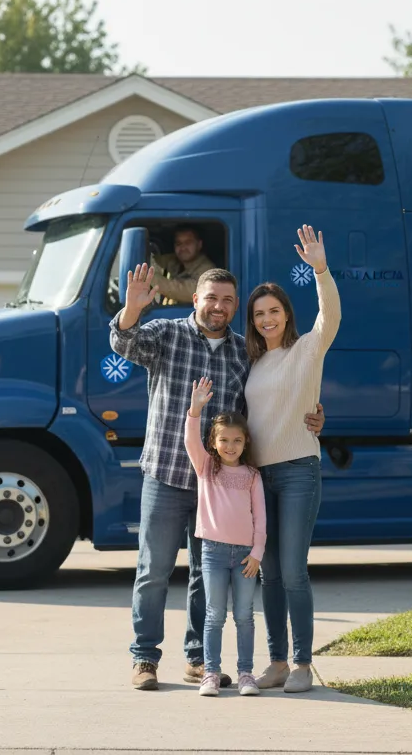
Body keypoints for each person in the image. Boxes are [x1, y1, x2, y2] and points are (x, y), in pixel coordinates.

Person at [109, 263, 325, 692]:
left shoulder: (246, 351)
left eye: (228, 300)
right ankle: (144, 659)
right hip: (170, 472)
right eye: (212, 298)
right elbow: (123, 343)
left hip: (220, 486)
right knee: (153, 569)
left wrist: (315, 414)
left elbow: (276, 397)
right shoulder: (166, 334)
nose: (219, 307)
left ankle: (196, 659)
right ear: (196, 300)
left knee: (203, 576)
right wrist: (131, 309)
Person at [245, 224, 341, 694]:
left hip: (300, 470)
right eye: (260, 313)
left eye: (274, 311)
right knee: (270, 572)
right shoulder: (252, 363)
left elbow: (331, 316)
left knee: (294, 570)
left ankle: (303, 664)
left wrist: (320, 269)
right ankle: (277, 662)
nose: (267, 319)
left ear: (287, 314)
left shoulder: (308, 348)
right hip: (259, 477)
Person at [184, 376, 266, 697]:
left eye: (237, 441)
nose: (230, 447)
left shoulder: (252, 476)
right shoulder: (207, 469)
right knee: (214, 614)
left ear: (245, 443)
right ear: (214, 442)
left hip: (246, 555)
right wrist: (195, 410)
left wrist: (257, 552)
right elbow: (191, 441)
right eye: (224, 441)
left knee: (244, 615)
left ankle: (246, 674)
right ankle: (212, 674)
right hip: (214, 553)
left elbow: (260, 518)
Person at [151, 225, 217, 305]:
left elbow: (182, 290)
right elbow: (153, 260)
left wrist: (147, 277)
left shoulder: (209, 271)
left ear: (199, 245)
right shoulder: (174, 261)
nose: (182, 247)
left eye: (188, 242)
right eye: (178, 243)